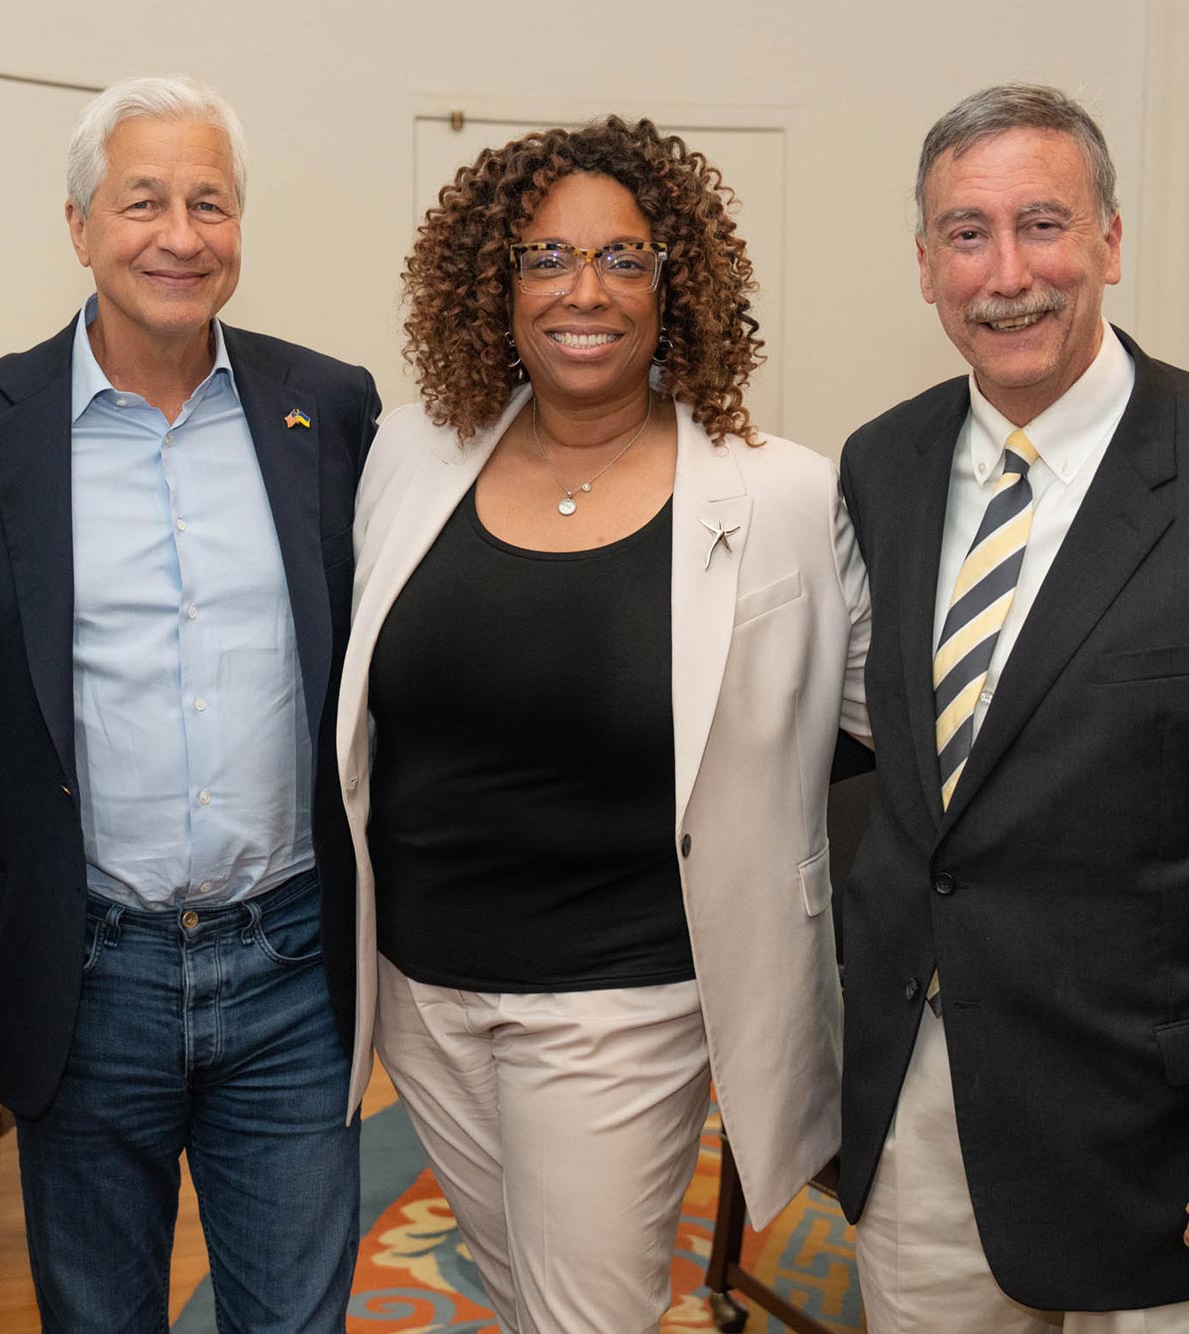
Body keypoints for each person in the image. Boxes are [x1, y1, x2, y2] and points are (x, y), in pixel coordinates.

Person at [835, 83, 1189, 1332]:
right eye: (965, 232)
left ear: (1107, 238)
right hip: (925, 1110)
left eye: (1041, 224)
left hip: (1183, 1141)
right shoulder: (879, 465)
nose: (1006, 274)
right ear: (925, 264)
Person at [335, 116, 870, 1332]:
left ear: (674, 283)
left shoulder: (779, 488)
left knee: (589, 1313)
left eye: (624, 260)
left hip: (622, 995)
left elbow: (871, 719)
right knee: (521, 1284)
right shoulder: (411, 454)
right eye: (544, 259)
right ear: (495, 283)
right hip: (422, 986)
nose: (586, 292)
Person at [0, 75, 379, 1331]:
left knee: (293, 1317)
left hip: (286, 968)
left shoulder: (328, 407)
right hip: (81, 971)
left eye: (208, 202)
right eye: (143, 200)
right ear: (77, 227)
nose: (180, 234)